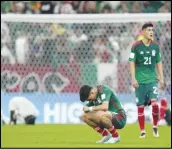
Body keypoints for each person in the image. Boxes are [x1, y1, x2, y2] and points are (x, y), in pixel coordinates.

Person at [129, 23, 164, 138]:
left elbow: (158, 62)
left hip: (152, 80)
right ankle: (143, 131)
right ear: (143, 32)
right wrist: (133, 78)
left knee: (155, 104)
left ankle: (155, 127)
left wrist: (161, 76)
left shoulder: (155, 46)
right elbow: (131, 62)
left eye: (152, 30)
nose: (151, 32)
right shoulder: (135, 46)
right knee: (140, 107)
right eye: (149, 30)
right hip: (139, 82)